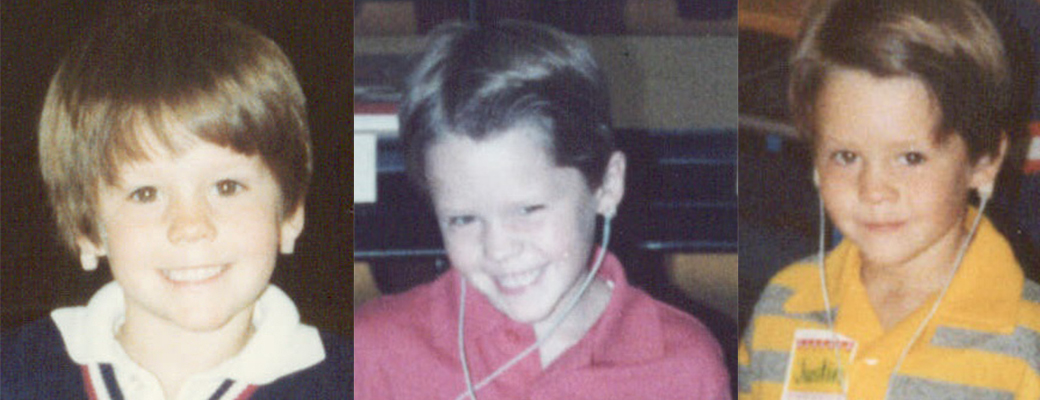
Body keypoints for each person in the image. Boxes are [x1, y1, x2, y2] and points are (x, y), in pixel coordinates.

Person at [354, 20, 730, 399]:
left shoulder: (683, 367)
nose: (498, 249)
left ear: (607, 185)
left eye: (528, 210)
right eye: (463, 219)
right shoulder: (373, 354)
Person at [0, 5, 350, 399]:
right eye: (145, 194)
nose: (190, 226)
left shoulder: (351, 382)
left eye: (227, 186)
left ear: (290, 213)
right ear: (85, 229)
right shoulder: (15, 373)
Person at [738, 0, 1040, 399]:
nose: (874, 190)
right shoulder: (783, 306)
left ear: (984, 161)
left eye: (910, 158)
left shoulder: (1026, 342)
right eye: (846, 156)